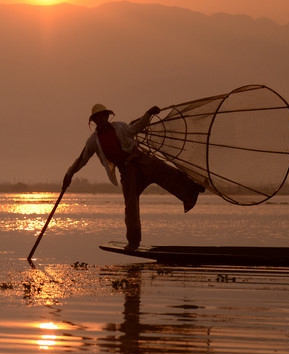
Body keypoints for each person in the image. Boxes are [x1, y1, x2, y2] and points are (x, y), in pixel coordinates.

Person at [62, 103, 204, 250]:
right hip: (127, 170)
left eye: (103, 116)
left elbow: (136, 128)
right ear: (94, 121)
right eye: (97, 118)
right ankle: (133, 242)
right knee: (131, 206)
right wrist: (69, 174)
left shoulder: (120, 127)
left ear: (107, 116)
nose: (101, 119)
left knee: (166, 171)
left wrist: (148, 114)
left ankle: (192, 188)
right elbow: (82, 160)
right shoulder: (93, 141)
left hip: (140, 159)